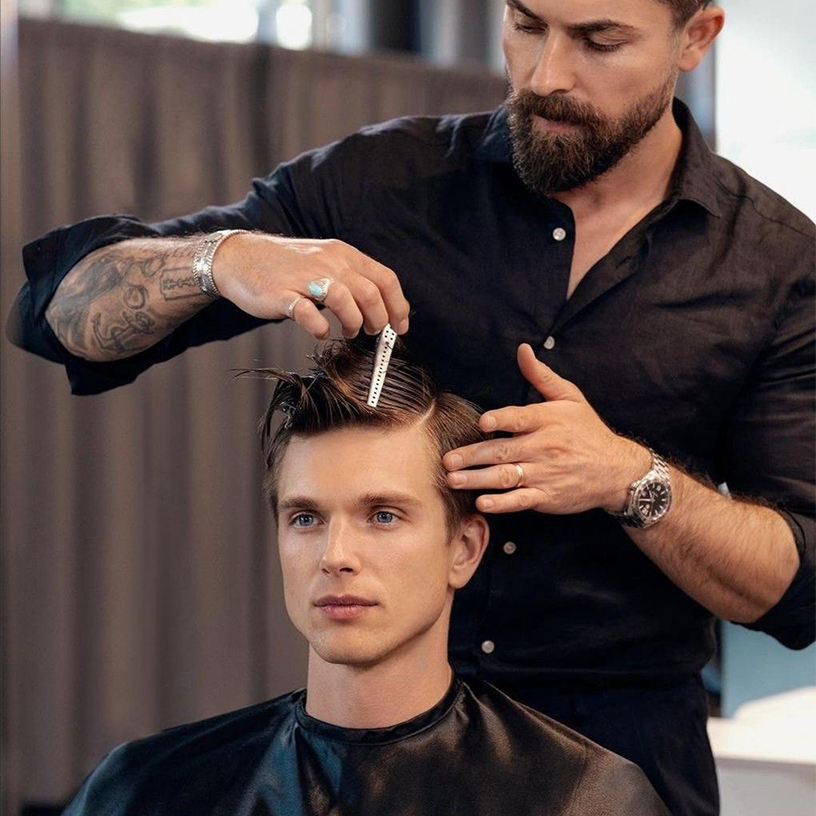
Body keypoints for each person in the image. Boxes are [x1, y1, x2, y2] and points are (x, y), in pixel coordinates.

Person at [8, 1, 815, 814]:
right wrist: (223, 258)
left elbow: (797, 586)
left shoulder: (774, 267)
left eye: (598, 41)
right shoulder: (384, 184)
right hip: (366, 753)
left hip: (623, 763)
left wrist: (633, 480)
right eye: (527, 24)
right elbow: (54, 315)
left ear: (695, 37)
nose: (546, 75)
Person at [61, 342, 669, 815]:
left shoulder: (583, 799)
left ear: (463, 549)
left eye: (382, 516)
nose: (335, 555)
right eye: (305, 518)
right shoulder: (147, 790)